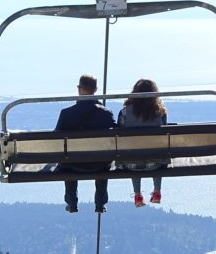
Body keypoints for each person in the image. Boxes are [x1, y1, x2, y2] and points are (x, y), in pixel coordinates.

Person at [56, 74, 115, 213]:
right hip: (100, 164)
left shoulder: (66, 113)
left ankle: (72, 203)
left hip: (73, 165)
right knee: (103, 156)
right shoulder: (106, 113)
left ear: (79, 89)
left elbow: (56, 140)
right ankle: (100, 204)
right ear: (95, 89)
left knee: (67, 159)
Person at [117, 78, 168, 207]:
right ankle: (157, 192)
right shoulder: (160, 113)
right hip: (156, 163)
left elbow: (120, 134)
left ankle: (138, 195)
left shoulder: (124, 113)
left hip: (130, 164)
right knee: (157, 150)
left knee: (134, 151)